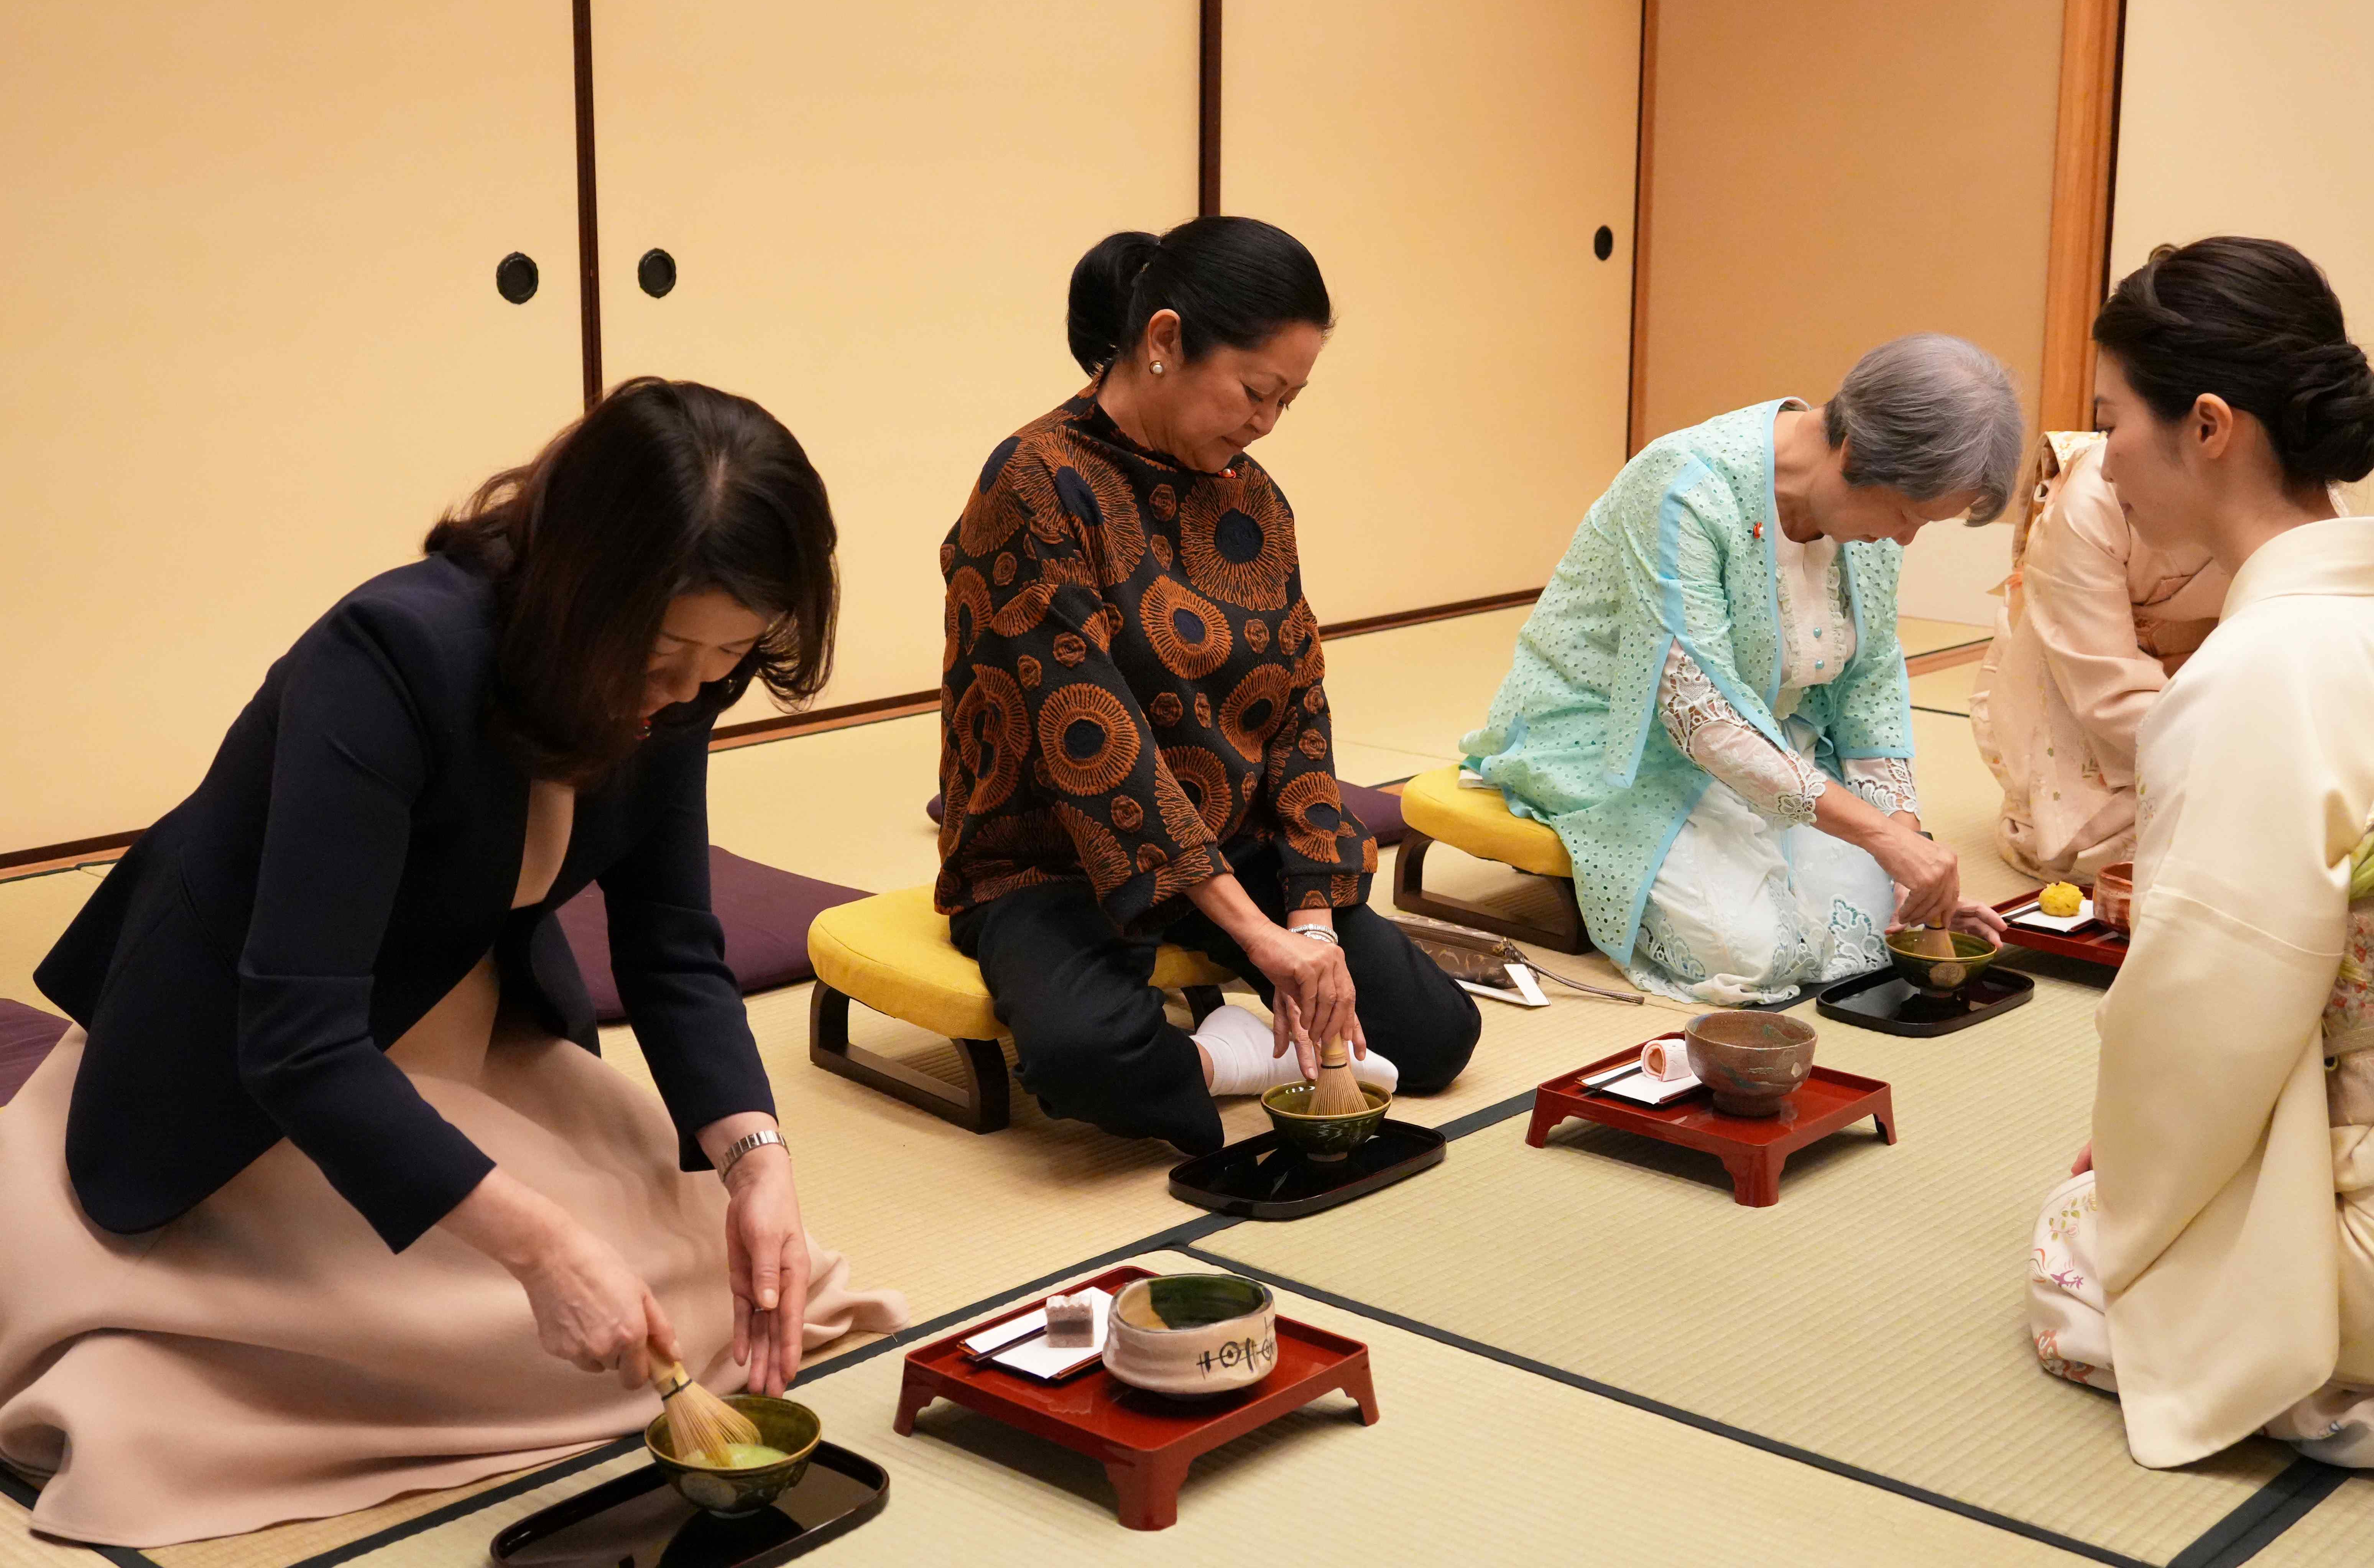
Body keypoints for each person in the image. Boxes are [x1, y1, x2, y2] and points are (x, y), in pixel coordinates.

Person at [0, 379, 904, 1547]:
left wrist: (756, 1160)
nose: (688, 693)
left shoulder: (679, 684)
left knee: (700, 1269)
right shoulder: (385, 657)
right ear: (584, 588)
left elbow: (672, 945)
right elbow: (299, 1036)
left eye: (730, 658)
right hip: (255, 1060)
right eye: (668, 652)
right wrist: (533, 1241)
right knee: (515, 1315)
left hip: (459, 1022)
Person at [934, 215, 1480, 1156]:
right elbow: (1093, 740)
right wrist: (1259, 944)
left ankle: (1256, 1003)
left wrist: (1311, 917)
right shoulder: (1033, 484)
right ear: (1162, 342)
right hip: (1051, 851)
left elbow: (1300, 702)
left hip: (1231, 833)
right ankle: (1231, 1055)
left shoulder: (1255, 498)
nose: (1264, 422)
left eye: (1287, 401)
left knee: (1436, 1035)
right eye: (1253, 390)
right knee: (1081, 1056)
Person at [2025, 237, 2374, 1468]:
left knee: (2073, 1247)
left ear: (2211, 425)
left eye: (2113, 418)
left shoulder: (2257, 674)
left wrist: (2130, 1153)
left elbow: (2208, 1010)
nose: (2102, 454)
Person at [1460, 336, 2022, 1005]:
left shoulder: (1868, 528)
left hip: (1779, 752)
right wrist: (1878, 839)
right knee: (1757, 957)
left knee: (1873, 932)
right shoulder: (1683, 485)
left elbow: (1869, 690)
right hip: (1626, 746)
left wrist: (1910, 862)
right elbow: (1702, 719)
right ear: (1856, 455)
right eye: (1907, 515)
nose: (1905, 540)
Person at [1971, 429, 2229, 885]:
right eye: (2106, 420)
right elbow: (2106, 688)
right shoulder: (2094, 495)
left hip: (2216, 681)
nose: (2104, 455)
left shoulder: (2297, 503)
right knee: (2092, 852)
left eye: (2114, 416)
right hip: (2083, 673)